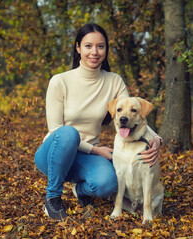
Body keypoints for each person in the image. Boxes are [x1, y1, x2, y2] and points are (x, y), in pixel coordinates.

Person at [34, 23, 162, 221]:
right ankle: (52, 199)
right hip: (53, 154)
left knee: (108, 184)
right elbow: (55, 130)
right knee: (69, 133)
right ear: (78, 48)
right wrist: (95, 150)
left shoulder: (114, 81)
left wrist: (156, 139)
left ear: (106, 50)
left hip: (85, 159)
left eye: (100, 46)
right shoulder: (59, 81)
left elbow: (133, 114)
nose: (94, 52)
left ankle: (81, 190)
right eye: (88, 46)